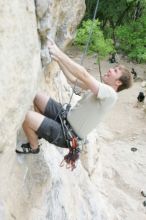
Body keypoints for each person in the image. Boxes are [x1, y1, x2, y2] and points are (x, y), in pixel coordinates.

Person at [16, 39, 133, 169]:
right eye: (114, 68)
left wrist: (59, 53)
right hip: (65, 117)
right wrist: (59, 60)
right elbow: (74, 79)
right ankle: (38, 131)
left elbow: (84, 74)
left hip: (67, 135)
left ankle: (34, 147)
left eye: (115, 71)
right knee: (37, 96)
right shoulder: (102, 89)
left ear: (118, 83)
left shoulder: (110, 95)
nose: (111, 69)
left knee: (26, 116)